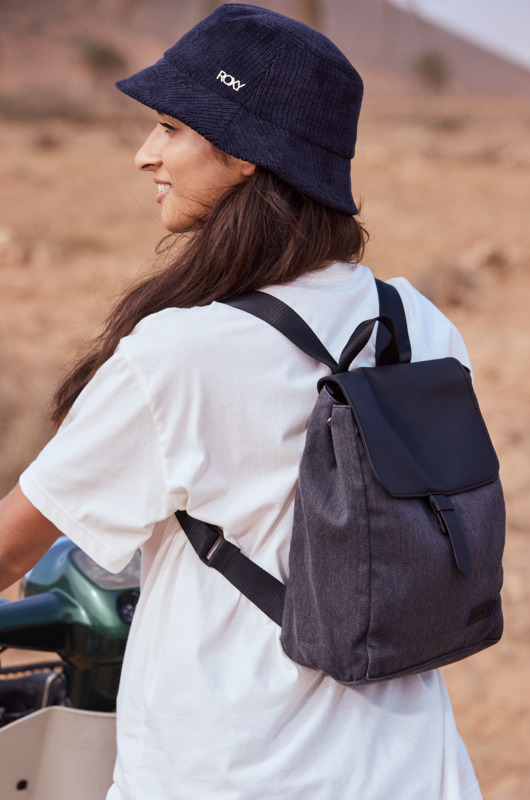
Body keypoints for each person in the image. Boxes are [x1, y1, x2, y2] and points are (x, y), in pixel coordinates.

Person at [0, 5, 482, 798]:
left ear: (250, 154)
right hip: (416, 771)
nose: (144, 154)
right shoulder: (419, 323)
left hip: (231, 774)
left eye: (170, 128)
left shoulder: (179, 357)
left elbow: (14, 548)